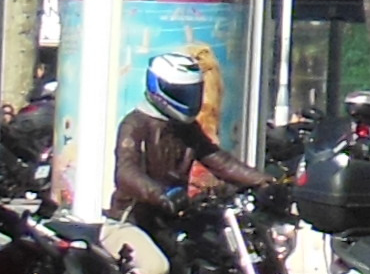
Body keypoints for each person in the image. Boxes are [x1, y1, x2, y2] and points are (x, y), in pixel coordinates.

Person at [112, 46, 278, 223]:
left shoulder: (187, 127)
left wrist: (265, 182)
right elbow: (125, 172)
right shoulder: (135, 124)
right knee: (149, 253)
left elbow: (218, 160)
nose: (190, 100)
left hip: (173, 216)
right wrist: (161, 194)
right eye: (182, 93)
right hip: (133, 218)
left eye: (193, 93)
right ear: (158, 88)